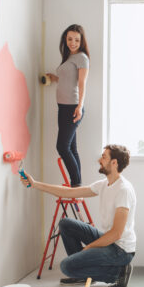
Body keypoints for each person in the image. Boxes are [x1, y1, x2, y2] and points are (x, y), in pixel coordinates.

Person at [20, 145, 136, 287]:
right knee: (66, 224)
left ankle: (118, 273)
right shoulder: (104, 185)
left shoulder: (123, 190)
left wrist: (89, 247)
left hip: (121, 250)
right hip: (110, 240)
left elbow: (116, 234)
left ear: (114, 163)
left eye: (104, 157)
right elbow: (69, 192)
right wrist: (35, 184)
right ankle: (84, 273)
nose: (100, 160)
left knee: (66, 266)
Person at [47, 24, 90, 187]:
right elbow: (67, 80)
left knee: (62, 147)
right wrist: (54, 77)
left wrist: (79, 106)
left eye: (77, 40)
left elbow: (81, 83)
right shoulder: (69, 58)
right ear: (65, 39)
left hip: (73, 107)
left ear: (81, 41)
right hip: (63, 107)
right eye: (70, 39)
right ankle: (77, 183)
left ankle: (76, 184)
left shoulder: (82, 57)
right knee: (71, 147)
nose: (73, 42)